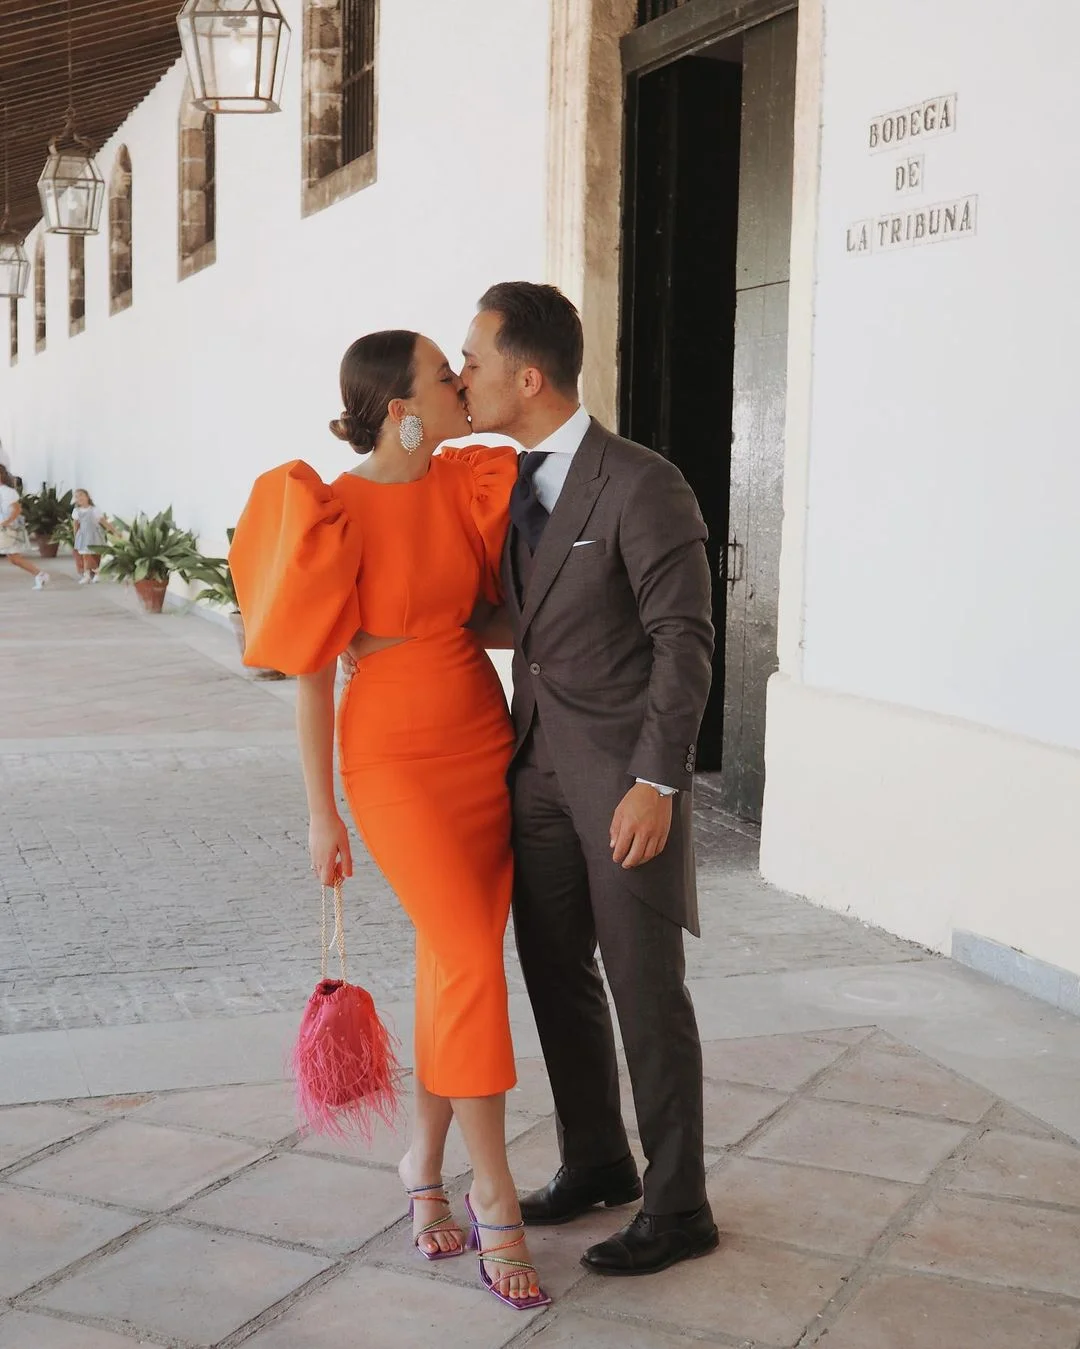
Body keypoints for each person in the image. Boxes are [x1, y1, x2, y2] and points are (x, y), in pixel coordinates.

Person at [229, 331, 550, 1311]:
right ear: (402, 408)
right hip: (392, 759)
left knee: (453, 962)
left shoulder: (464, 485)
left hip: (478, 735)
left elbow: (496, 613)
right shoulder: (333, 510)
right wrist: (321, 811)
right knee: (464, 949)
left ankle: (423, 1157)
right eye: (443, 377)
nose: (461, 383)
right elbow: (312, 671)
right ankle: (493, 1186)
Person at [459, 282, 718, 1276]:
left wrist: (658, 780)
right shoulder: (509, 480)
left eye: (473, 358)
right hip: (534, 771)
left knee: (647, 990)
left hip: (621, 781)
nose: (462, 373)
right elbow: (531, 617)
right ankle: (599, 1158)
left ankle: (680, 1201)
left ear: (529, 374)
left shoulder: (643, 482)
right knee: (554, 973)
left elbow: (684, 641)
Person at [0, 466, 49, 589]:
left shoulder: (8, 492)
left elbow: (17, 510)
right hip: (4, 527)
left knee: (14, 558)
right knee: (14, 558)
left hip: (8, 529)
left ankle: (40, 574)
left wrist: (6, 522)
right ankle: (40, 574)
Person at [72, 489, 111, 584]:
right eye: (77, 496)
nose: (79, 498)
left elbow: (103, 522)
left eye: (81, 495)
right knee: (86, 555)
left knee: (96, 555)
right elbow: (76, 524)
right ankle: (87, 575)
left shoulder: (95, 510)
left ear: (87, 496)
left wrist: (113, 531)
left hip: (95, 534)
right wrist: (75, 536)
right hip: (83, 535)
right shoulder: (76, 511)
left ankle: (97, 573)